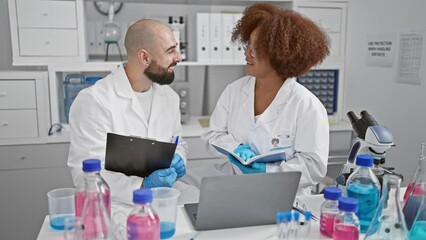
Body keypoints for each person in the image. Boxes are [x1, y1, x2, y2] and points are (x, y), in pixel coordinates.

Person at [201, 3, 330, 195]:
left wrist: (267, 171)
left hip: (282, 197)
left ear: (281, 54)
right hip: (235, 190)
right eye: (248, 45)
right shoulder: (234, 91)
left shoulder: (306, 105)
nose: (247, 53)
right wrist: (236, 148)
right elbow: (212, 136)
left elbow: (313, 168)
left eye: (255, 48)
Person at [68, 19, 189, 205]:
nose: (179, 57)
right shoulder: (94, 101)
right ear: (144, 57)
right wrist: (143, 185)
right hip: (116, 207)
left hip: (164, 200)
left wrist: (179, 157)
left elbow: (177, 141)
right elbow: (86, 174)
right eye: (170, 51)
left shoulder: (169, 98)